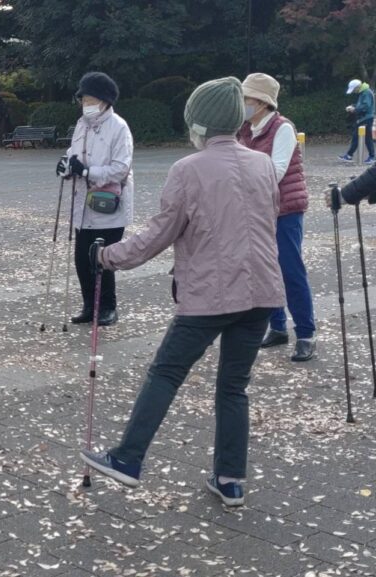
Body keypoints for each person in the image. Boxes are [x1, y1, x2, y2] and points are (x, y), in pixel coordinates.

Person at [80, 77, 285, 507]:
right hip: (264, 290)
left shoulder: (187, 170)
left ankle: (128, 458)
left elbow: (158, 235)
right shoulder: (262, 164)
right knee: (234, 387)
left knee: (166, 373)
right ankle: (230, 480)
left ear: (199, 124)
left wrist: (107, 257)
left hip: (212, 293)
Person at [237, 73, 316, 362]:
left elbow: (276, 170)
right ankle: (278, 327)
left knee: (290, 270)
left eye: (245, 98)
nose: (242, 103)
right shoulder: (245, 129)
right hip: (256, 210)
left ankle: (306, 333)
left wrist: (241, 173)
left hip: (285, 209)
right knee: (262, 270)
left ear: (261, 102)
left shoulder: (282, 128)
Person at [55, 72, 134, 327]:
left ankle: (108, 307)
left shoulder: (119, 127)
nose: (85, 104)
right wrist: (66, 165)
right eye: (83, 99)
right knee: (82, 259)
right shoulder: (81, 124)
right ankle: (90, 305)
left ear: (104, 100)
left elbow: (121, 167)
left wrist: (88, 172)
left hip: (108, 203)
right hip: (82, 205)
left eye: (90, 99)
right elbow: (73, 153)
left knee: (103, 258)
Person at [339, 78, 374, 164]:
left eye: (354, 90)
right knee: (360, 137)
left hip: (366, 118)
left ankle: (372, 156)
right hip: (364, 118)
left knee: (365, 138)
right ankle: (350, 155)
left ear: (357, 87)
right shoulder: (364, 92)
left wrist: (354, 109)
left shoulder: (366, 93)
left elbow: (365, 106)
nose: (354, 92)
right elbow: (362, 105)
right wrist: (353, 106)